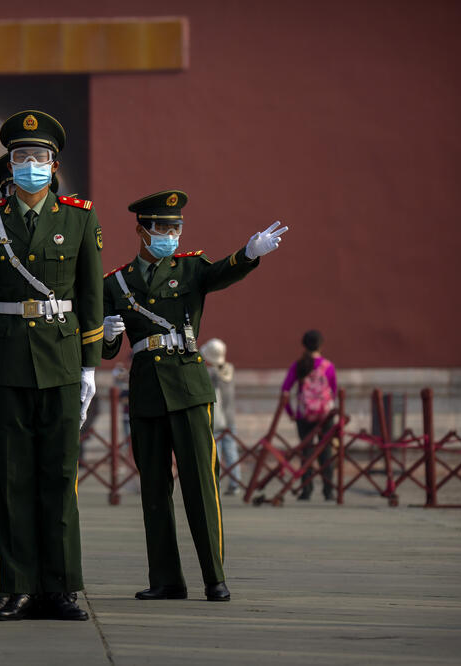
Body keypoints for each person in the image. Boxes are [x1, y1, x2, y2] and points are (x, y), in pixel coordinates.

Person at [102, 189, 288, 602]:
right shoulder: (115, 283)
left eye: (176, 227)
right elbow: (103, 347)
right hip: (147, 391)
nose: (171, 234)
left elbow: (222, 272)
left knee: (201, 484)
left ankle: (214, 577)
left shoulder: (189, 269)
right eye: (163, 228)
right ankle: (167, 580)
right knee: (153, 489)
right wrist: (108, 335)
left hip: (188, 386)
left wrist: (250, 253)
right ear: (142, 230)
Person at [0, 111, 103, 621]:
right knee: (12, 478)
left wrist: (90, 368)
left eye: (38, 158)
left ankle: (60, 587)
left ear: (53, 163)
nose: (29, 166)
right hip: (6, 364)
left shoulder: (80, 216)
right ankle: (17, 585)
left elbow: (90, 296)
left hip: (63, 361)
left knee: (60, 476)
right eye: (20, 157)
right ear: (10, 163)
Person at [280, 330, 338, 501]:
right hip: (324, 417)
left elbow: (285, 390)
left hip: (303, 415)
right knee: (325, 451)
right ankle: (329, 491)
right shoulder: (328, 366)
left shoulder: (298, 365)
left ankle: (306, 490)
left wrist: (291, 412)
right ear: (321, 345)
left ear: (304, 345)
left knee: (306, 452)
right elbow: (333, 392)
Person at [200, 339, 240, 495]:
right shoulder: (230, 369)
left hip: (215, 419)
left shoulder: (210, 373)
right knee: (232, 452)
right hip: (230, 418)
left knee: (213, 453)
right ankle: (235, 482)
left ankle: (215, 483)